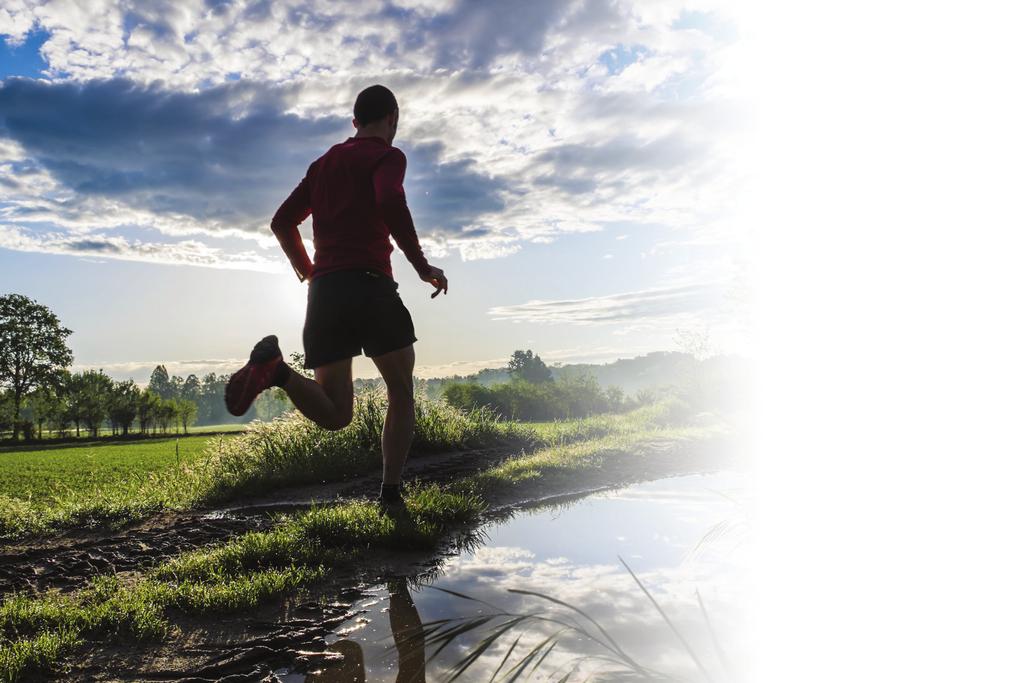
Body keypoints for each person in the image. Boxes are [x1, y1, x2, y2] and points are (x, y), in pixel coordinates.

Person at [224, 84, 448, 507]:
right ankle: (391, 494)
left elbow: (281, 222)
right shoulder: (388, 156)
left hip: (326, 292)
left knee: (336, 413)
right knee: (401, 393)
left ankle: (278, 373)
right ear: (393, 118)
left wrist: (310, 273)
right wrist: (422, 267)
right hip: (370, 285)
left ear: (354, 122)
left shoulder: (323, 164)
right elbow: (389, 198)